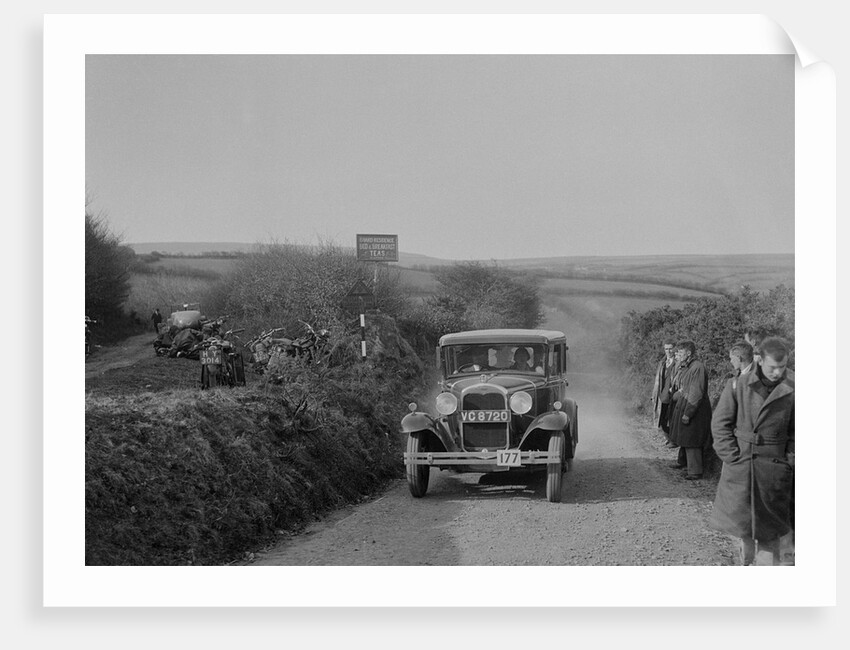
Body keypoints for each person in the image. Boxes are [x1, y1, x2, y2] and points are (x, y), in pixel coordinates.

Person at [709, 337, 794, 566]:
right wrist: (731, 456)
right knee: (744, 529)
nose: (777, 373)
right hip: (742, 466)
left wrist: (789, 459)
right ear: (760, 360)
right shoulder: (738, 385)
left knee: (770, 532)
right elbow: (720, 424)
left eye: (782, 367)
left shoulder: (794, 389)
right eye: (771, 367)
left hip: (774, 471)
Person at [667, 340, 712, 480]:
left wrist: (688, 413)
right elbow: (684, 388)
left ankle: (695, 471)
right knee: (685, 436)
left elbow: (695, 393)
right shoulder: (688, 366)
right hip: (685, 406)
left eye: (680, 352)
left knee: (692, 439)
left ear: (688, 353)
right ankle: (683, 463)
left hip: (695, 411)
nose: (677, 355)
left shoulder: (697, 367)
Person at [650, 340, 678, 443]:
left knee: (671, 419)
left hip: (672, 394)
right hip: (662, 394)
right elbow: (657, 380)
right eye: (666, 349)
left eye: (670, 348)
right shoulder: (662, 362)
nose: (668, 351)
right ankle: (669, 437)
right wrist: (654, 394)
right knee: (661, 419)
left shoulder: (678, 363)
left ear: (675, 349)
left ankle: (673, 439)